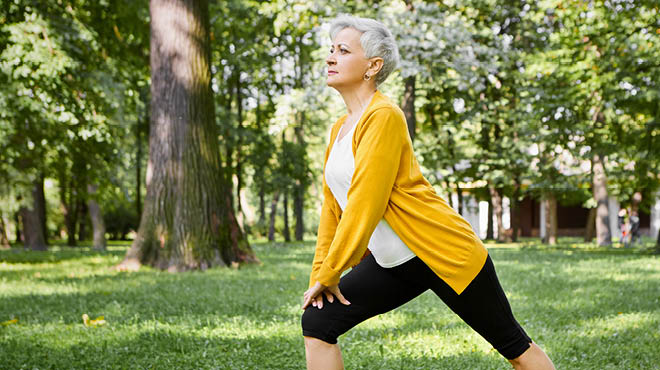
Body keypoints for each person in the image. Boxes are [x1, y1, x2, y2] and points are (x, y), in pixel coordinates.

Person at [300, 15, 555, 370]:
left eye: (342, 50)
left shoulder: (384, 116)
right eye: (331, 50)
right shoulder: (339, 130)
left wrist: (332, 273)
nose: (330, 58)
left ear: (373, 65)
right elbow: (332, 210)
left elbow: (365, 202)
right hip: (393, 264)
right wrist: (320, 278)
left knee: (513, 344)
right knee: (317, 321)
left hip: (442, 252)